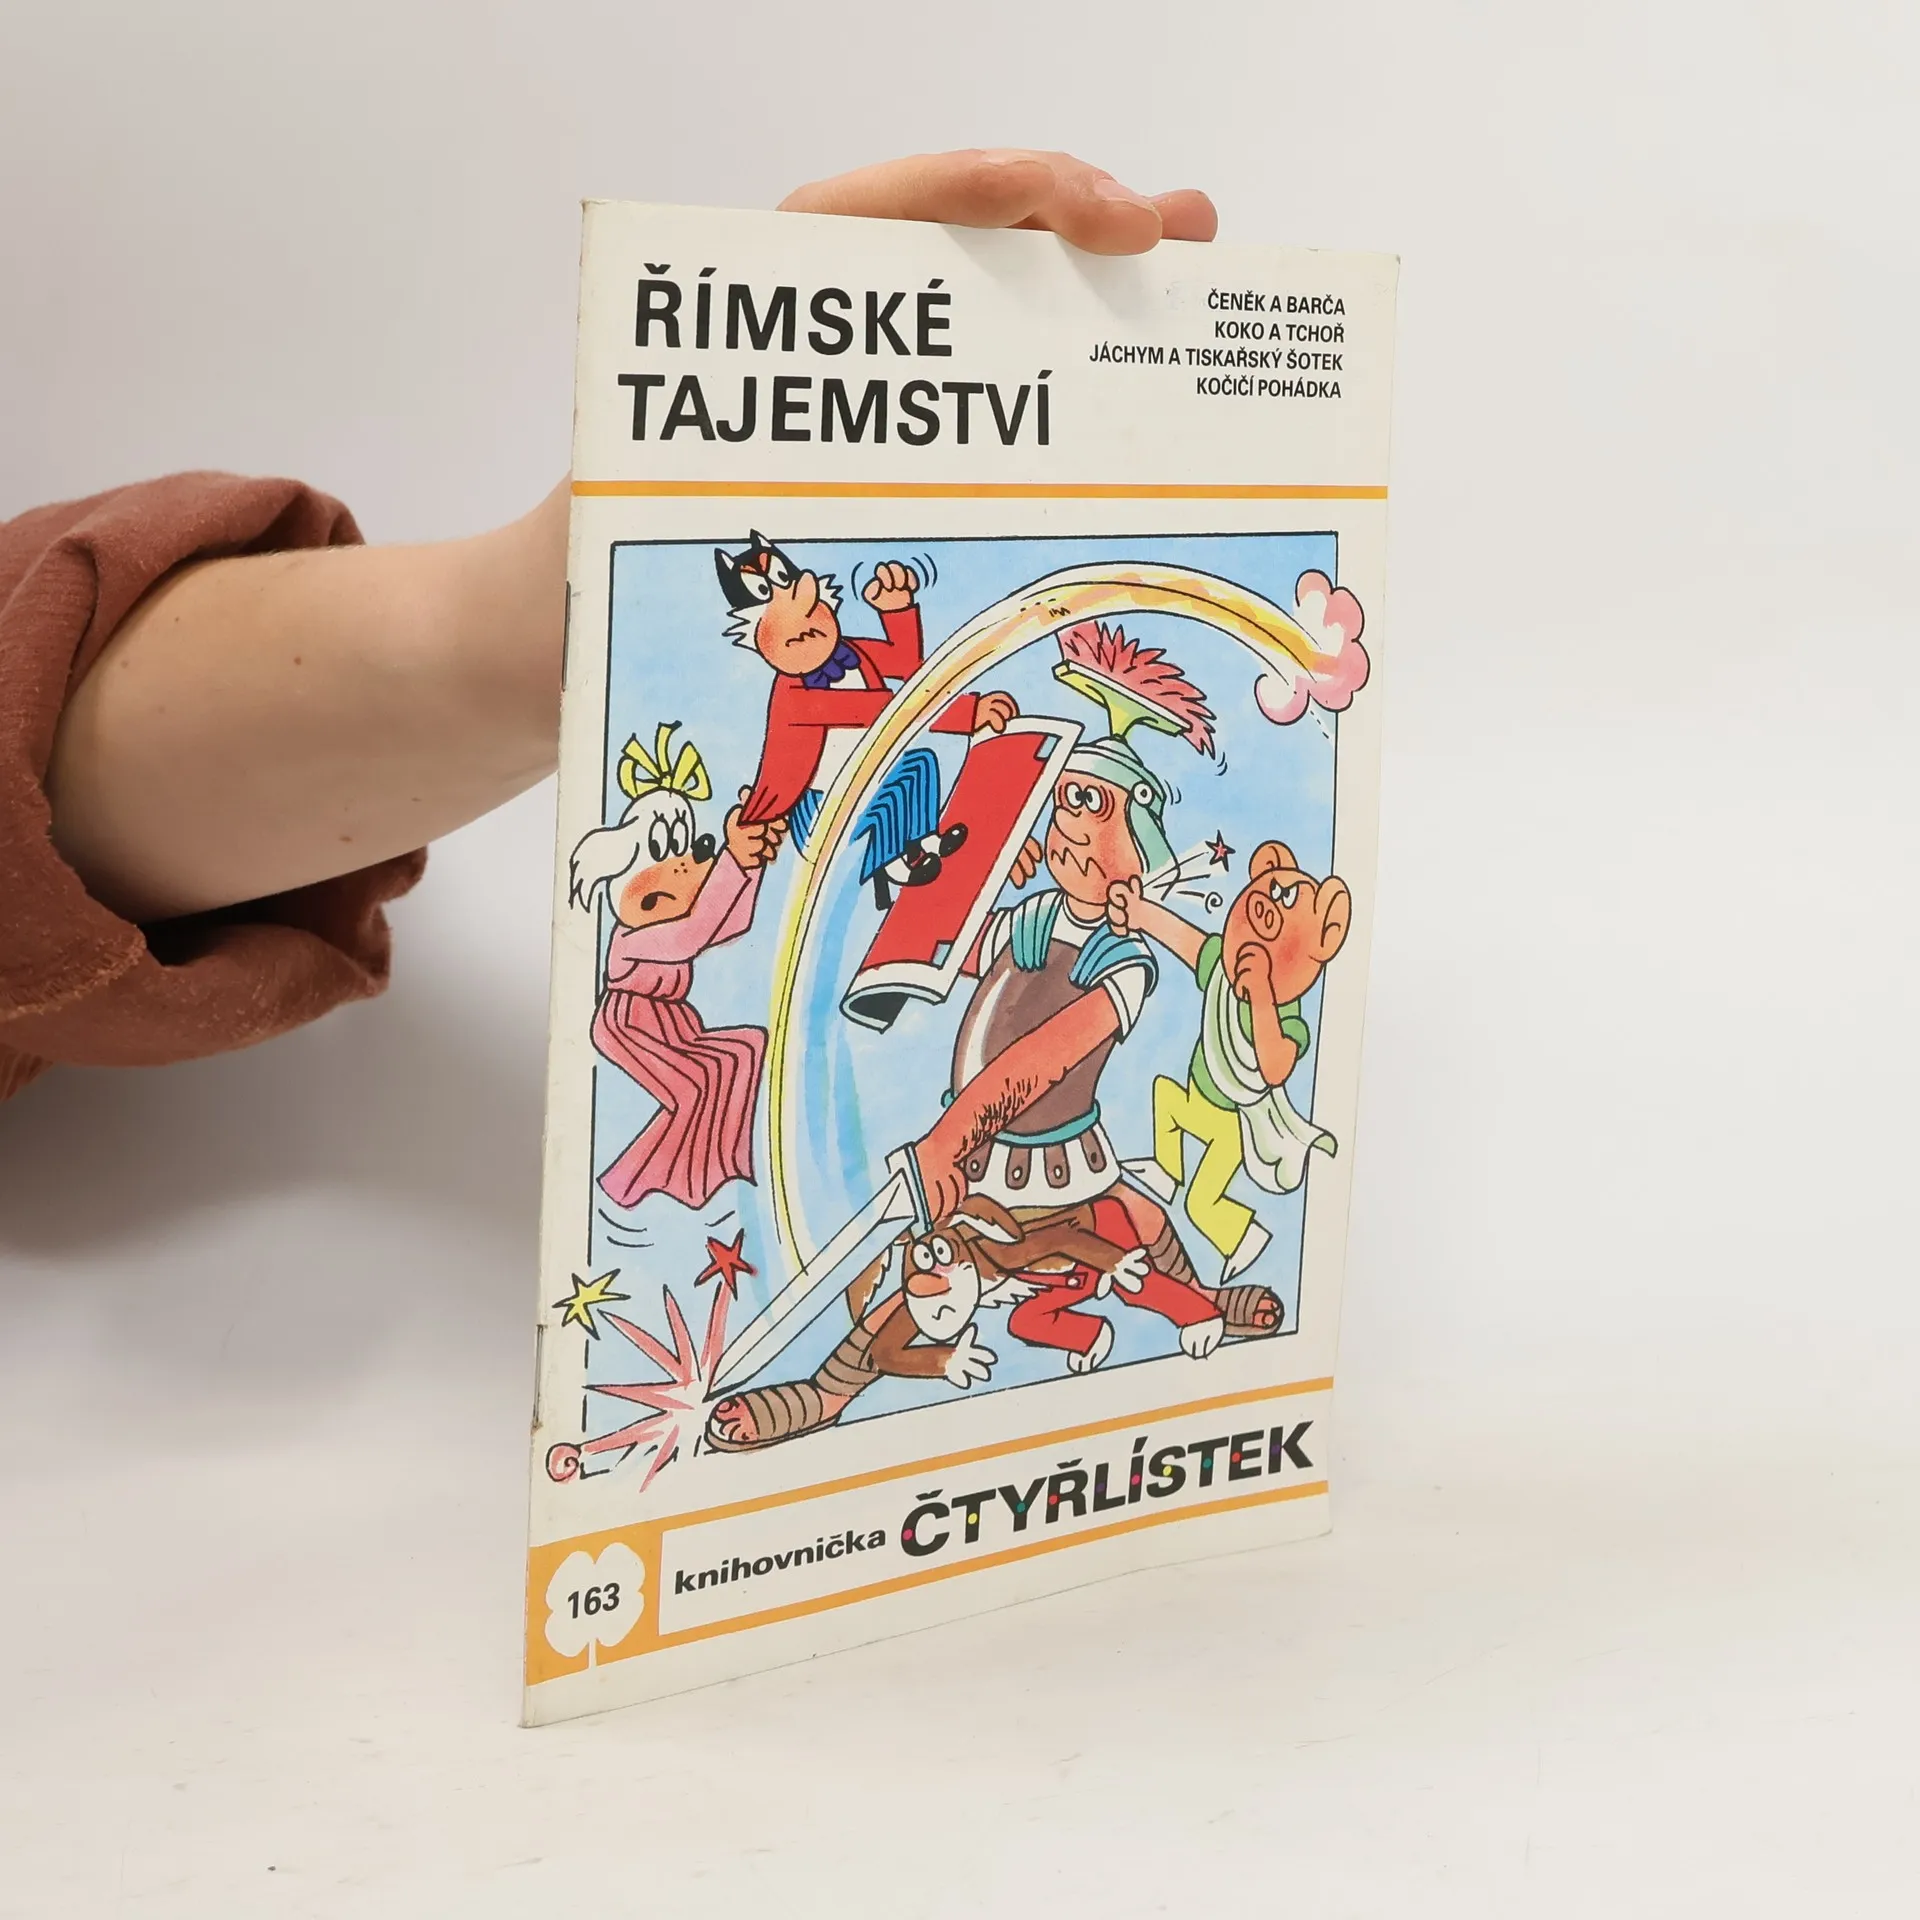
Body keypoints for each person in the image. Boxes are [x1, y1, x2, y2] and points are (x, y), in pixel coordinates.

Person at [0, 152, 1218, 1102]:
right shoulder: (798, 700)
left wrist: (553, 617)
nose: (809, 621)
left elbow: (888, 683)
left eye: (808, 604)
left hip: (836, 789)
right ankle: (900, 927)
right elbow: (851, 722)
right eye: (789, 618)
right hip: (786, 825)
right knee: (878, 858)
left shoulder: (837, 662)